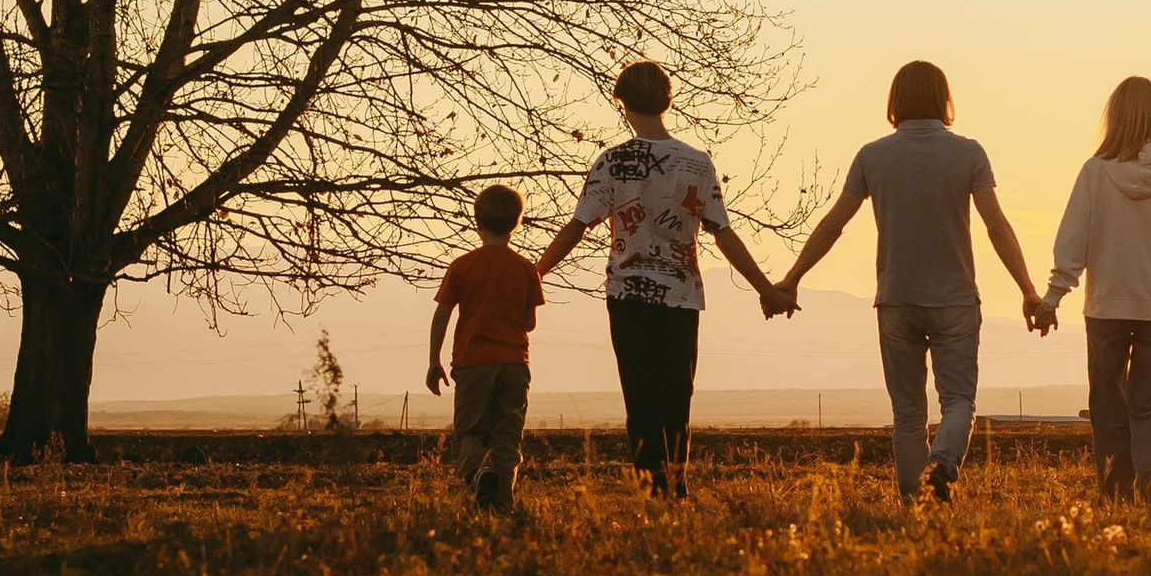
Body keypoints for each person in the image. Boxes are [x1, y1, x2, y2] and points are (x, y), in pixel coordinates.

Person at [768, 60, 1056, 504]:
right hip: (956, 300)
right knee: (959, 401)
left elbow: (833, 225)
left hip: (896, 300)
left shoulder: (872, 156)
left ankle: (915, 506)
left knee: (907, 414)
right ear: (945, 100)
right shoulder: (969, 153)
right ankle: (942, 465)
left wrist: (791, 278)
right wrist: (1027, 290)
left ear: (895, 102)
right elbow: (996, 226)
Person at [537, 61, 781, 494]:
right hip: (682, 297)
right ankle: (676, 489)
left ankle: (653, 490)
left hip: (627, 296)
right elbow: (723, 233)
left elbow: (577, 227)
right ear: (668, 101)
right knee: (676, 399)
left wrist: (534, 272)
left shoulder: (612, 162)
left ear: (622, 103)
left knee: (641, 398)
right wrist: (766, 289)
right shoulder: (697, 163)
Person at [1040, 75, 1151, 498]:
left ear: (1113, 118)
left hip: (1106, 309)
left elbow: (1072, 242)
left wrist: (1053, 296)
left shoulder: (1094, 173)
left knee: (1109, 406)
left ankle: (1116, 489)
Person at [426, 182, 543, 514]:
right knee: (508, 439)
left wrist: (434, 360)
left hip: (472, 363)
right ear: (516, 224)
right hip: (514, 364)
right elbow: (529, 323)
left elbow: (442, 313)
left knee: (470, 433)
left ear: (477, 220)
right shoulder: (526, 268)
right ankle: (502, 507)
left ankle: (480, 476)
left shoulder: (462, 266)